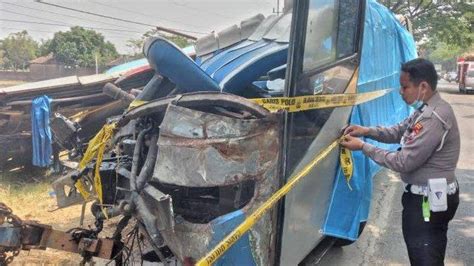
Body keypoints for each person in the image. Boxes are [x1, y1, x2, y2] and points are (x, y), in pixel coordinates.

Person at [340, 58, 460, 266]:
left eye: (405, 87)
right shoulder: (425, 110)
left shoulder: (434, 117)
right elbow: (399, 131)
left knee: (424, 254)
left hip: (428, 200)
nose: (400, 91)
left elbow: (404, 162)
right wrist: (367, 131)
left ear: (423, 86)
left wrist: (363, 147)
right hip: (430, 196)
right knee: (430, 251)